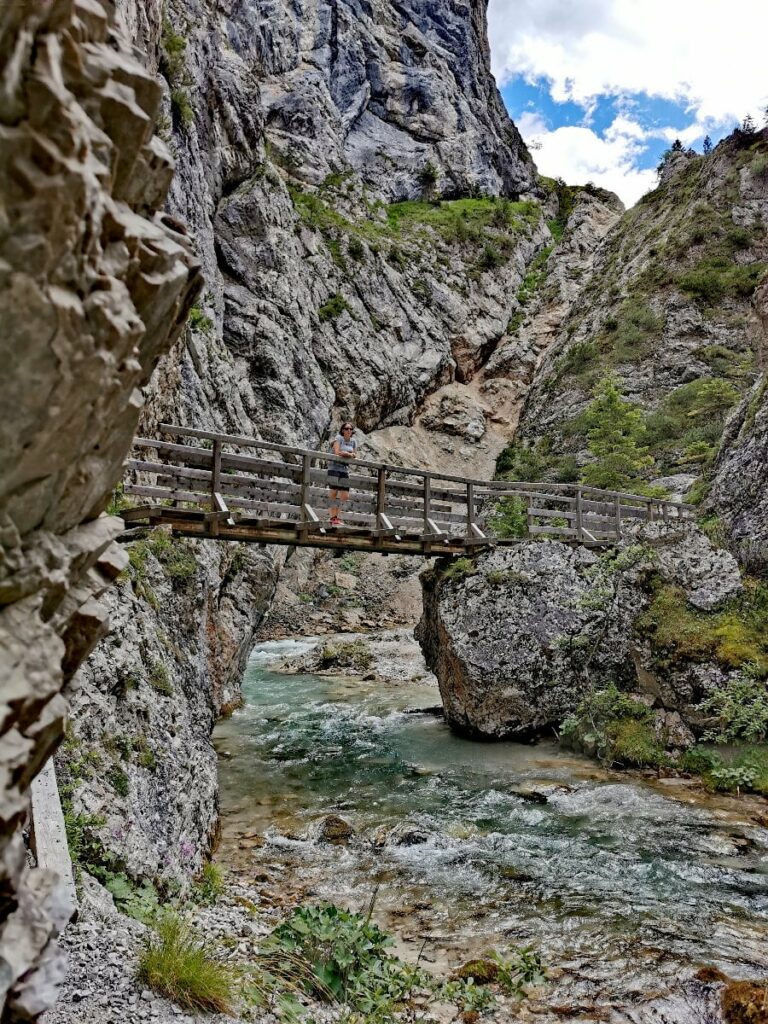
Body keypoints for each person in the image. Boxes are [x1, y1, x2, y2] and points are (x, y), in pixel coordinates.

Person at [328, 422, 356, 525]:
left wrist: (349, 454)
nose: (349, 430)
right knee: (334, 492)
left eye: (350, 429)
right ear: (342, 430)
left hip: (344, 469)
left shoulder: (353, 441)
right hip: (334, 467)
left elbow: (355, 455)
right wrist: (349, 454)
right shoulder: (338, 438)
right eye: (346, 428)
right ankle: (332, 517)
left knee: (345, 495)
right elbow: (337, 452)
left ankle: (337, 517)